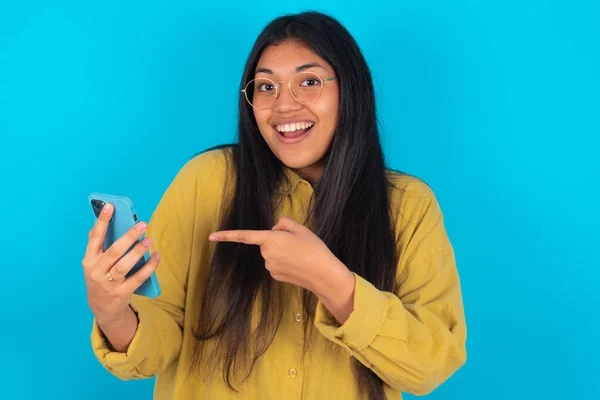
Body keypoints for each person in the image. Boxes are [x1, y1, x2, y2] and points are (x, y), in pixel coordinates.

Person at [82, 11, 467, 400]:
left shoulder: (408, 205)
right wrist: (111, 311)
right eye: (266, 87)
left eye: (310, 82)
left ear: (350, 91)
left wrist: (332, 281)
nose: (284, 106)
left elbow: (429, 366)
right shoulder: (206, 181)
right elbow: (156, 345)